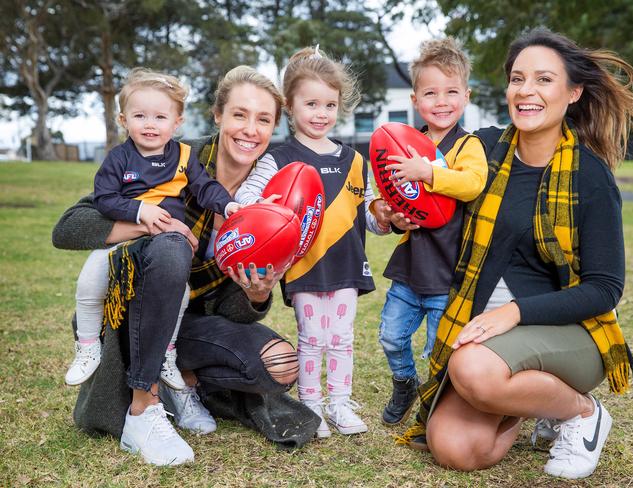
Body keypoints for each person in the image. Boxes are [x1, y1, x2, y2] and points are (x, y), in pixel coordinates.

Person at [398, 28, 633, 479]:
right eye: (517, 78)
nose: (526, 91)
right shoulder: (482, 149)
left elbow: (605, 289)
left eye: (544, 80)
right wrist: (393, 211)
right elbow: (427, 193)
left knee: (472, 369)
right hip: (484, 333)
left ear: (573, 92)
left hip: (568, 334)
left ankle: (581, 412)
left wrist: (514, 312)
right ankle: (536, 406)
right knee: (455, 448)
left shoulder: (589, 177)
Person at [52, 66, 315, 466]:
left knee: (279, 366)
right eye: (239, 115)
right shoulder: (172, 155)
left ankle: (185, 383)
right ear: (218, 116)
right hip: (134, 314)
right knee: (173, 246)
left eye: (263, 119)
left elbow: (231, 313)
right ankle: (144, 404)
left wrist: (256, 293)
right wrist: (152, 219)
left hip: (190, 325)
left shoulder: (268, 197)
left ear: (274, 127)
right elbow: (69, 227)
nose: (249, 129)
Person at [236, 46, 392, 438]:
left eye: (330, 104)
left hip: (346, 265)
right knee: (311, 338)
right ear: (289, 105)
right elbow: (245, 199)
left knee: (341, 339)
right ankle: (312, 405)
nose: (321, 113)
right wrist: (261, 206)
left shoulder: (355, 159)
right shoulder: (278, 158)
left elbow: (369, 215)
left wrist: (384, 217)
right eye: (311, 103)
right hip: (304, 264)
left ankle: (339, 402)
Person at [65, 68, 239, 391]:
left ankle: (166, 354)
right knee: (90, 280)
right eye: (139, 115)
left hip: (164, 247)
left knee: (180, 294)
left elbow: (206, 189)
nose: (149, 124)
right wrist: (140, 211)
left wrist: (228, 206)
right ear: (123, 119)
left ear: (177, 122)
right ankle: (88, 346)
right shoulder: (118, 159)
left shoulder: (185, 157)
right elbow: (104, 199)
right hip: (123, 243)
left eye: (160, 117)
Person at [377, 38, 487, 426]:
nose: (441, 101)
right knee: (391, 336)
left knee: (438, 351)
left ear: (466, 96)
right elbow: (390, 195)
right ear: (415, 99)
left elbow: (472, 183)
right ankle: (404, 383)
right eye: (430, 93)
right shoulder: (403, 145)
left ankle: (434, 406)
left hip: (448, 271)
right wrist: (393, 217)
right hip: (410, 266)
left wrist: (429, 173)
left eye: (451, 92)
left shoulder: (469, 145)